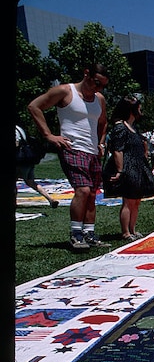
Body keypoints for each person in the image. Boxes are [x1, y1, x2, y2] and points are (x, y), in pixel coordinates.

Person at [27, 63, 110, 250]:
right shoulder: (65, 91)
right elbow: (34, 106)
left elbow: (103, 122)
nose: (98, 88)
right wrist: (49, 135)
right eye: (96, 83)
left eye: (102, 86)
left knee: (91, 194)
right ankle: (76, 234)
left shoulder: (99, 99)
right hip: (72, 148)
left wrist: (101, 143)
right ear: (86, 74)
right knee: (83, 190)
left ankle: (89, 234)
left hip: (92, 151)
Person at [102, 95, 154, 240]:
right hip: (128, 167)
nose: (141, 110)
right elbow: (117, 150)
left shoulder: (133, 128)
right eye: (138, 107)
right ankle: (125, 232)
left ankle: (133, 229)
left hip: (138, 167)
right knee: (128, 200)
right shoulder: (120, 127)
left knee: (136, 200)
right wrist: (120, 170)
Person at [15, 124, 59, 208]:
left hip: (20, 161)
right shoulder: (19, 128)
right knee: (31, 182)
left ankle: (13, 203)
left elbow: (16, 143)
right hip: (28, 159)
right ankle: (50, 199)